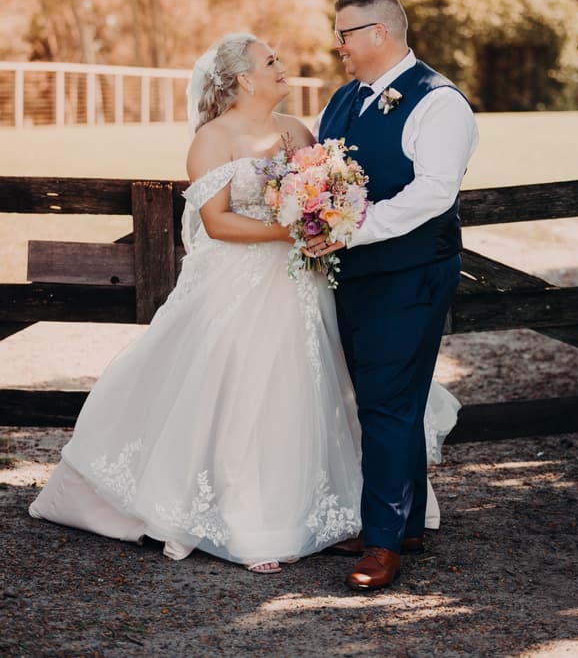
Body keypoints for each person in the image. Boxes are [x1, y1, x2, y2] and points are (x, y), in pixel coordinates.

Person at [29, 32, 459, 575]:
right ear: (242, 80)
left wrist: (325, 215)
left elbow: (324, 187)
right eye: (271, 62)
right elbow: (218, 222)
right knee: (248, 394)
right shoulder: (213, 139)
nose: (283, 67)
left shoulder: (296, 130)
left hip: (305, 284)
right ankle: (247, 521)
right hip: (244, 285)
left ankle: (348, 515)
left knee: (316, 392)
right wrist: (292, 229)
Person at [311, 0, 479, 591]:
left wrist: (350, 232)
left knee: (385, 402)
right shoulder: (341, 101)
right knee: (387, 396)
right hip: (353, 274)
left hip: (409, 273)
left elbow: (435, 192)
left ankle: (380, 543)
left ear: (380, 33)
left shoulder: (440, 104)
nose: (338, 47)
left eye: (345, 34)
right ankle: (402, 522)